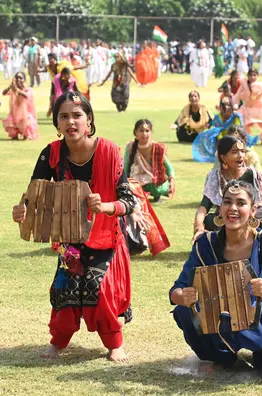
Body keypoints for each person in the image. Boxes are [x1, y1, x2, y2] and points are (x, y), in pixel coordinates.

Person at [11, 92, 144, 361]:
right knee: (65, 288)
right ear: (57, 123)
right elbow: (34, 193)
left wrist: (105, 206)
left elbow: (129, 200)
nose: (70, 121)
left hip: (107, 236)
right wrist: (22, 209)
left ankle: (114, 344)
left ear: (89, 119)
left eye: (77, 115)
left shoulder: (108, 151)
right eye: (63, 116)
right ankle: (58, 342)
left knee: (100, 288)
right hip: (70, 236)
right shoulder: (51, 153)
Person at [171, 180, 262, 376]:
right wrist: (183, 297)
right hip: (221, 314)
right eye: (227, 202)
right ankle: (222, 357)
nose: (233, 208)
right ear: (220, 208)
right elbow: (176, 291)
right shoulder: (206, 243)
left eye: (241, 203)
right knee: (185, 312)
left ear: (253, 209)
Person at [125, 119, 175, 202]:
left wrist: (172, 181)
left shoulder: (157, 147)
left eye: (147, 131)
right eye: (141, 131)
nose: (144, 134)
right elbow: (126, 166)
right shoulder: (130, 147)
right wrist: (125, 183)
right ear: (136, 132)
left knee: (153, 183)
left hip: (154, 181)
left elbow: (168, 166)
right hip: (136, 179)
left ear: (151, 132)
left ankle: (157, 195)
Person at [192, 97, 254, 163]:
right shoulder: (217, 117)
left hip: (236, 138)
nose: (227, 107)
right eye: (224, 105)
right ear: (221, 107)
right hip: (221, 140)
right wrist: (222, 141)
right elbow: (217, 131)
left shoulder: (236, 116)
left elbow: (238, 129)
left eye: (228, 105)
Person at [2, 72, 38, 140]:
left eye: (21, 78)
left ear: (24, 80)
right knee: (10, 121)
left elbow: (26, 96)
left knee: (27, 125)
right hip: (14, 113)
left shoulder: (28, 89)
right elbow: (4, 93)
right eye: (17, 77)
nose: (18, 79)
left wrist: (17, 90)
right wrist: (10, 86)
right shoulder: (13, 89)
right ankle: (15, 135)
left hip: (25, 114)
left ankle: (26, 135)